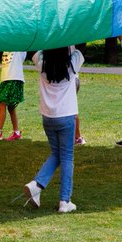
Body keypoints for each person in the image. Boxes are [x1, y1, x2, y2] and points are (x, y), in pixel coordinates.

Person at [23, 46, 85, 213]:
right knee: (66, 157)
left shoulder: (42, 63)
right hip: (66, 116)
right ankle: (64, 201)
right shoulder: (72, 64)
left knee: (57, 154)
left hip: (48, 117)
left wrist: (51, 41)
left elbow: (37, 52)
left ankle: (36, 185)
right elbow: (78, 49)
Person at [0, 51, 26, 141]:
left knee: (2, 105)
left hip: (13, 78)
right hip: (6, 79)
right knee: (11, 107)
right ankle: (16, 132)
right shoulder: (7, 45)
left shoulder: (19, 49)